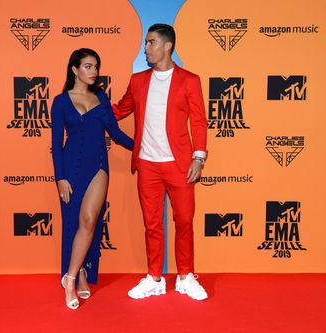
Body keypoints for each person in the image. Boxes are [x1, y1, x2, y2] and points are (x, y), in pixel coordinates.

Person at [113, 24, 209, 301]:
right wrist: (87, 105)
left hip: (179, 165)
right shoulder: (138, 80)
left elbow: (199, 121)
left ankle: (185, 277)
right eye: (146, 43)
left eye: (151, 43)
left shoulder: (190, 80)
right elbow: (120, 109)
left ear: (168, 46)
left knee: (184, 222)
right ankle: (154, 278)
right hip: (147, 166)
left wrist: (198, 157)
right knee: (152, 224)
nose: (146, 49)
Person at [51, 48, 134, 309]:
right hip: (71, 167)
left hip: (99, 165)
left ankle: (71, 278)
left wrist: (143, 148)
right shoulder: (61, 101)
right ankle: (80, 273)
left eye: (95, 66)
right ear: (74, 69)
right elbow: (56, 142)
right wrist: (60, 178)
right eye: (87, 66)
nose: (93, 71)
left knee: (89, 220)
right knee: (73, 225)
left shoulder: (101, 97)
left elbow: (116, 133)